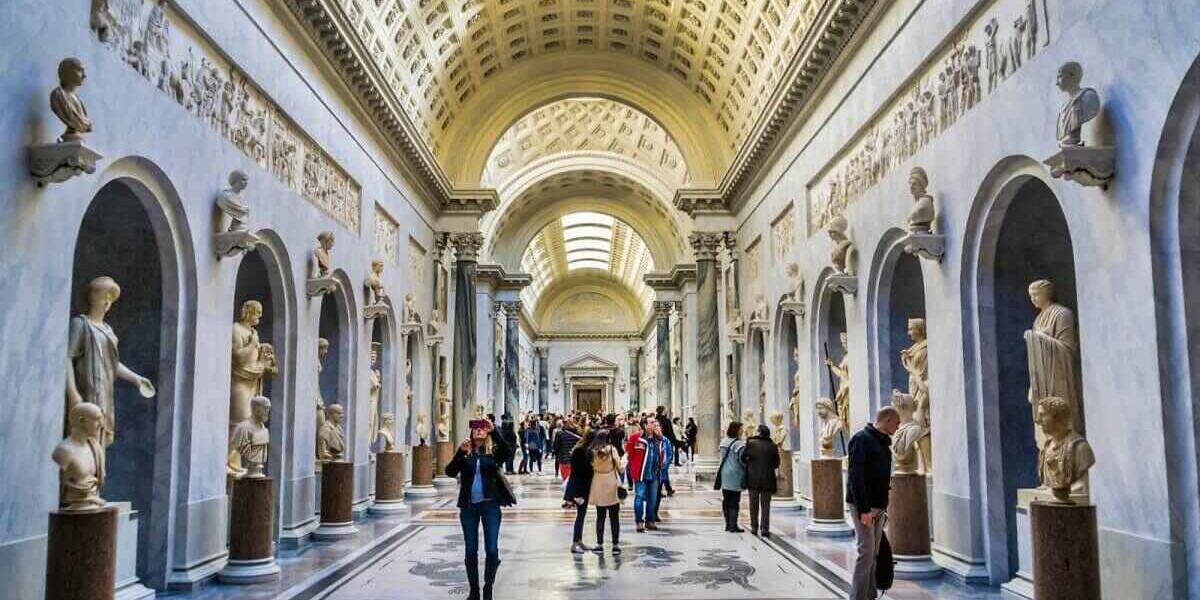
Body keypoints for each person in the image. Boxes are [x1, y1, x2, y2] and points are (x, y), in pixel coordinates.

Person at [445, 420, 514, 600]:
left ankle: (488, 587)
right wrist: (460, 453)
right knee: (470, 549)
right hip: (469, 507)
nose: (479, 431)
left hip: (490, 505)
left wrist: (495, 432)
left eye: (482, 428)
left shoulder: (493, 454)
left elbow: (508, 452)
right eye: (476, 428)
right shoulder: (466, 453)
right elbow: (450, 472)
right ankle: (474, 590)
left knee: (491, 548)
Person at [847, 407, 900, 600]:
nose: (898, 426)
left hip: (878, 507)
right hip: (865, 507)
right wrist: (864, 510)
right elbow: (856, 477)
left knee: (874, 553)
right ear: (886, 419)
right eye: (896, 422)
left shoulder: (883, 443)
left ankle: (869, 595)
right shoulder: (862, 439)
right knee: (866, 554)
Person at [626, 416, 667, 532]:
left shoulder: (658, 439)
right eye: (652, 422)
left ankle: (650, 520)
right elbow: (629, 452)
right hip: (640, 473)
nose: (655, 424)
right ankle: (639, 522)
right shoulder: (636, 438)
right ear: (645, 425)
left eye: (655, 422)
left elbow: (662, 453)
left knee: (653, 499)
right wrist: (632, 468)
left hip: (654, 473)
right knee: (639, 497)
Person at [589, 430, 626, 554]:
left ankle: (599, 544)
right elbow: (620, 468)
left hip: (598, 483)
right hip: (611, 483)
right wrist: (625, 460)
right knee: (614, 517)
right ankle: (615, 545)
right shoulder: (611, 450)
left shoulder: (592, 451)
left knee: (600, 516)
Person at [742, 424, 781, 537]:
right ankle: (765, 529)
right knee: (765, 506)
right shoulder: (773, 446)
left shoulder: (751, 443)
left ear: (758, 432)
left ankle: (754, 527)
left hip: (753, 479)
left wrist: (750, 463)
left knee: (753, 504)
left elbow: (743, 458)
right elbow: (776, 463)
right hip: (768, 479)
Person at [564, 428, 596, 552]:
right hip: (579, 489)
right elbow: (580, 472)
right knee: (580, 515)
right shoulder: (581, 451)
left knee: (581, 515)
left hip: (581, 488)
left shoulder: (580, 449)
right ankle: (575, 543)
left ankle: (579, 541)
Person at [716, 421, 747, 533]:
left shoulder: (723, 442)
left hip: (725, 473)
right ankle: (733, 525)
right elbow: (742, 461)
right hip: (735, 474)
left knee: (726, 499)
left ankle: (728, 524)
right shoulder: (740, 444)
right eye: (741, 429)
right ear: (737, 430)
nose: (742, 431)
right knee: (735, 500)